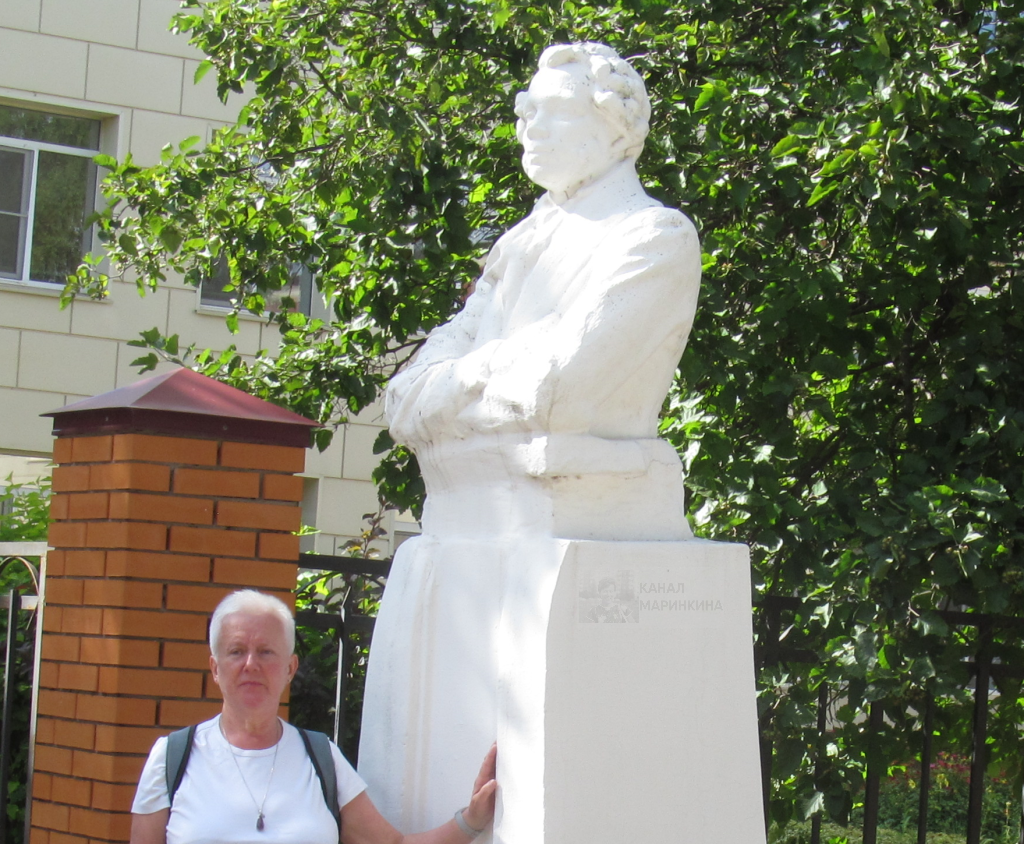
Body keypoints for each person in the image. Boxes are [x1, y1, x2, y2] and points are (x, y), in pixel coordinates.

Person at [130, 590, 497, 844]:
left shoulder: (321, 759)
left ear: (290, 668)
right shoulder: (172, 758)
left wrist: (471, 820)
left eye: (266, 652)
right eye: (236, 651)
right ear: (215, 667)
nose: (251, 664)